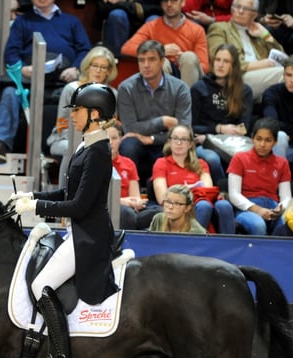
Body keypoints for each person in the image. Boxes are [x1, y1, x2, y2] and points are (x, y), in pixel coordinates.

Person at [11, 84, 119, 358]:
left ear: (94, 114)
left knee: (41, 285)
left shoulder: (98, 151)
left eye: (77, 110)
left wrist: (36, 206)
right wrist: (31, 195)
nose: (72, 116)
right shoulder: (86, 146)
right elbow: (67, 192)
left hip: (90, 237)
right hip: (78, 232)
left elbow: (79, 205)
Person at [0, 0, 91, 164]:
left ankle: (71, 147)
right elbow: (11, 52)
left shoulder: (71, 21)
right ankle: (0, 144)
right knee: (9, 92)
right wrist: (22, 69)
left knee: (76, 94)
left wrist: (76, 69)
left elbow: (85, 49)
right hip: (30, 75)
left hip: (62, 77)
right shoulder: (23, 21)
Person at [116, 40, 192, 188]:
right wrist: (162, 122)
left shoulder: (180, 88)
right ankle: (130, 192)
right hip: (139, 143)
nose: (146, 65)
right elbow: (130, 127)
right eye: (141, 60)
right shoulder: (126, 88)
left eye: (151, 59)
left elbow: (184, 130)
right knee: (128, 145)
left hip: (167, 142)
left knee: (179, 143)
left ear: (162, 61)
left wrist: (152, 139)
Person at [47, 46, 118, 185]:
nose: (98, 70)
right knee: (73, 148)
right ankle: (64, 192)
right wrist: (82, 140)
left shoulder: (112, 94)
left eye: (103, 67)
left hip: (97, 138)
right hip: (64, 138)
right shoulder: (71, 89)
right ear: (87, 66)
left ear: (109, 71)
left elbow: (112, 123)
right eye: (95, 65)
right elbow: (62, 124)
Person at [152, 124, 235, 234]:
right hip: (177, 204)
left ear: (191, 143)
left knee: (224, 205)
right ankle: (194, 244)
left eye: (184, 139)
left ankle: (227, 247)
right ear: (169, 141)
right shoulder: (161, 163)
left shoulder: (201, 163)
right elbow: (162, 197)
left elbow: (207, 189)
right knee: (204, 206)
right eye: (175, 138)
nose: (179, 143)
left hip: (198, 201)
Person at [190, 43, 252, 182]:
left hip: (233, 141)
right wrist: (219, 128)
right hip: (206, 142)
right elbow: (192, 126)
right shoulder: (198, 88)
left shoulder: (244, 91)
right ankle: (223, 188)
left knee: (249, 156)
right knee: (212, 159)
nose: (220, 65)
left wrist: (235, 131)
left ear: (234, 65)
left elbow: (244, 127)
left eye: (226, 61)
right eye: (218, 60)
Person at [206, 0, 285, 102]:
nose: (240, 11)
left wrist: (266, 35)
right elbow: (217, 58)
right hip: (235, 78)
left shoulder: (258, 31)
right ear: (232, 9)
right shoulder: (220, 28)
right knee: (284, 73)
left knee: (287, 78)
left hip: (259, 78)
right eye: (237, 6)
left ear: (254, 15)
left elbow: (282, 58)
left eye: (246, 9)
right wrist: (259, 65)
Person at [120, 0, 210, 87]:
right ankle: (163, 100)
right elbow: (126, 48)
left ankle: (187, 101)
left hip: (189, 75)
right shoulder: (151, 26)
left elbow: (205, 67)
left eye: (174, 1)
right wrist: (158, 50)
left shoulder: (197, 30)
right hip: (165, 72)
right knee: (162, 62)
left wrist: (182, 60)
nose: (169, 4)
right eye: (165, 1)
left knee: (188, 57)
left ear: (182, 3)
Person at [227, 117, 292, 235]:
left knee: (286, 224)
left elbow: (286, 196)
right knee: (258, 225)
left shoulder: (282, 163)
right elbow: (234, 194)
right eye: (259, 139)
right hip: (247, 208)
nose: (262, 144)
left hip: (273, 207)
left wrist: (280, 209)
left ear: (275, 142)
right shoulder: (240, 158)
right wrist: (258, 210)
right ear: (252, 138)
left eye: (268, 140)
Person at [106, 122, 156, 230]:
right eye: (106, 138)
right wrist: (123, 201)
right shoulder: (94, 162)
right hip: (105, 207)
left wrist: (137, 202)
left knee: (158, 212)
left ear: (120, 139)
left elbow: (135, 196)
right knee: (126, 213)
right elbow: (95, 198)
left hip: (130, 207)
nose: (110, 142)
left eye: (114, 138)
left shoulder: (128, 163)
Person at [96, 0, 162, 58]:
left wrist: (131, 6)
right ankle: (114, 59)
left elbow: (162, 8)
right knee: (117, 15)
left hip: (150, 11)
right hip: (122, 14)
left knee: (154, 20)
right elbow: (102, 8)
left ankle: (150, 60)